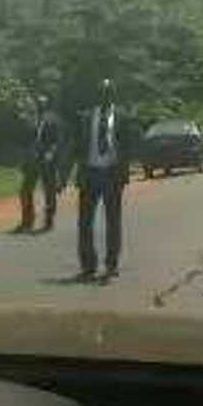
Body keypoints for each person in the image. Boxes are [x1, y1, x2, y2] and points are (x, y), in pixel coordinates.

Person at [63, 79, 135, 281]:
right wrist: (65, 174)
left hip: (112, 174)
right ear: (97, 95)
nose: (105, 96)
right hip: (90, 174)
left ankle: (111, 265)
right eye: (102, 92)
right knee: (84, 223)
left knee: (113, 222)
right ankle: (88, 266)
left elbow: (128, 147)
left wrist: (124, 175)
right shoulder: (85, 117)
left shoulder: (122, 117)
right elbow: (76, 147)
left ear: (113, 95)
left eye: (108, 92)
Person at [15, 94, 63, 232]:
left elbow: (57, 141)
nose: (40, 106)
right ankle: (27, 220)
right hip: (33, 159)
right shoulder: (32, 120)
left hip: (46, 159)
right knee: (25, 190)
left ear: (48, 105)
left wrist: (51, 153)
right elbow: (28, 141)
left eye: (43, 104)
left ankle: (49, 220)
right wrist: (25, 159)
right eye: (38, 104)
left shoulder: (53, 121)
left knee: (49, 190)